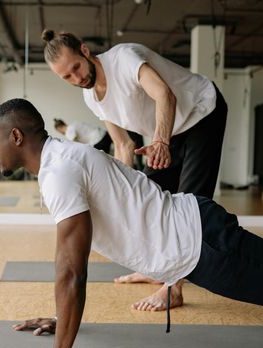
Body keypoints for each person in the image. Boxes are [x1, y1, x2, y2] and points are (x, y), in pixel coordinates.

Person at [0, 98, 263, 348]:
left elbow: (71, 271)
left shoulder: (59, 173)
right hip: (197, 233)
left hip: (201, 244)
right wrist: (63, 318)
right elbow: (72, 267)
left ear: (16, 136)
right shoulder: (64, 159)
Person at [41, 30, 228, 312]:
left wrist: (161, 142)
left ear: (85, 50)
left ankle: (173, 288)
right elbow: (124, 145)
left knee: (191, 202)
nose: (77, 78)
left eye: (76, 67)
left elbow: (165, 95)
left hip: (201, 112)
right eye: (67, 77)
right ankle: (159, 269)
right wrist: (122, 196)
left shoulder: (124, 58)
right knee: (148, 201)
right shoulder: (91, 98)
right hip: (167, 132)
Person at [54, 118, 144, 169]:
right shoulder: (75, 123)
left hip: (98, 141)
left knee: (104, 162)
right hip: (104, 134)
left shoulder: (69, 130)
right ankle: (136, 164)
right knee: (121, 147)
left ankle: (127, 169)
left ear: (59, 129)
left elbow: (75, 145)